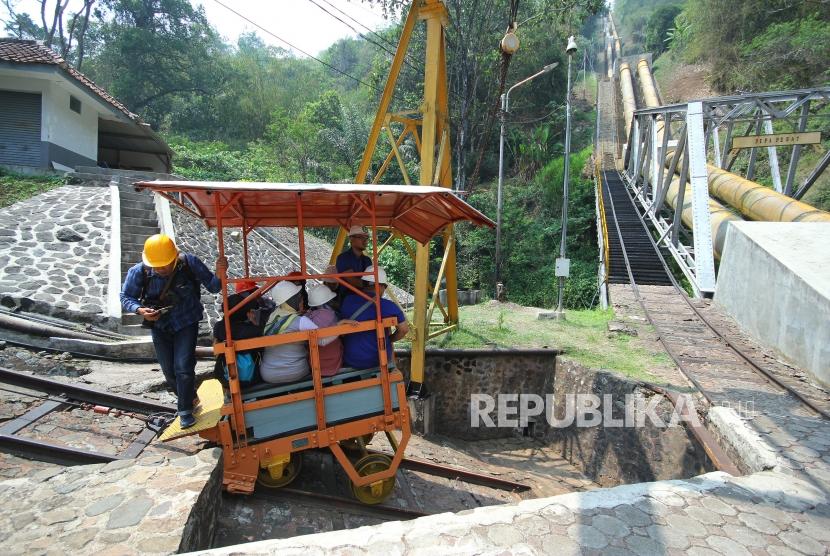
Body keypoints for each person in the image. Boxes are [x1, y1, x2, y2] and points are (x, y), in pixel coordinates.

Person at [121, 234, 221, 429]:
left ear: (175, 257)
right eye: (156, 266)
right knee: (168, 371)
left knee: (183, 366)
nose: (160, 269)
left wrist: (220, 271)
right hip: (159, 326)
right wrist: (140, 310)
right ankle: (190, 398)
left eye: (165, 265)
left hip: (186, 321)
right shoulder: (139, 271)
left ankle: (184, 411)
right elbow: (126, 297)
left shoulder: (189, 263)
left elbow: (214, 287)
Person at [259, 280, 338, 383]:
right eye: (298, 296)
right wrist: (339, 327)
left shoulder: (273, 316)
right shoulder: (301, 321)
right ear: (292, 300)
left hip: (267, 374)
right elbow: (322, 341)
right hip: (295, 372)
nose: (301, 299)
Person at [341, 265, 409, 370]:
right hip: (376, 361)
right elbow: (404, 330)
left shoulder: (347, 301)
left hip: (350, 360)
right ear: (381, 286)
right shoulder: (387, 306)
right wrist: (388, 339)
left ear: (363, 284)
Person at [306, 284, 344, 376]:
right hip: (332, 363)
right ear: (329, 301)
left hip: (314, 363)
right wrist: (339, 326)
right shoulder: (330, 315)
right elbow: (321, 342)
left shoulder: (308, 316)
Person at [335, 225, 372, 290]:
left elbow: (370, 280)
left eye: (366, 238)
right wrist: (370, 283)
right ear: (351, 238)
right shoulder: (343, 258)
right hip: (346, 297)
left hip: (364, 296)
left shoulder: (367, 260)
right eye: (361, 237)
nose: (365, 241)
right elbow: (352, 280)